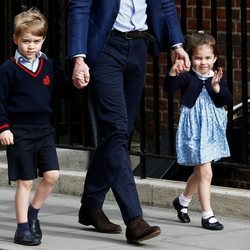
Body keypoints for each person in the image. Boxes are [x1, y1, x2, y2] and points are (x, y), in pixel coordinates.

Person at [67, 0, 190, 244]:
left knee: (118, 133)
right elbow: (79, 7)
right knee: (115, 131)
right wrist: (78, 58)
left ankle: (91, 205)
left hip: (138, 48)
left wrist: (177, 44)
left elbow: (164, 3)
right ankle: (134, 219)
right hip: (105, 48)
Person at [0, 8, 71, 246]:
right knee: (26, 181)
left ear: (43, 40)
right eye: (26, 41)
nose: (31, 46)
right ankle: (22, 229)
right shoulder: (7, 69)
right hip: (19, 132)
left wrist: (79, 82)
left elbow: (62, 89)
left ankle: (33, 213)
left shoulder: (48, 65)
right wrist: (3, 128)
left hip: (43, 130)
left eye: (36, 41)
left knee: (52, 175)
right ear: (16, 40)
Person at [164, 31, 232, 230]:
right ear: (191, 58)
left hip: (212, 129)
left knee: (200, 171)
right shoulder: (187, 77)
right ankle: (207, 215)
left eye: (208, 58)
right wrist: (173, 71)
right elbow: (169, 87)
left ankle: (182, 201)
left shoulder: (217, 77)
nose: (203, 63)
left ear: (215, 57)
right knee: (206, 172)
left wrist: (217, 87)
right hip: (194, 128)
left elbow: (226, 100)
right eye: (198, 58)